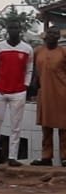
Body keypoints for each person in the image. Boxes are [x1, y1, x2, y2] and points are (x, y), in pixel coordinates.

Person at [0, 18, 34, 165]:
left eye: (16, 28)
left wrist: (26, 85)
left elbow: (29, 69)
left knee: (16, 125)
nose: (14, 30)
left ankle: (12, 157)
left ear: (20, 30)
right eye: (11, 28)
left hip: (19, 91)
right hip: (0, 90)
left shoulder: (27, 49)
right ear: (7, 30)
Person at [32, 27, 66, 166]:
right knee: (46, 126)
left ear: (59, 37)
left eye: (56, 34)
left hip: (62, 92)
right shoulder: (37, 51)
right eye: (51, 33)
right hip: (44, 92)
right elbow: (33, 70)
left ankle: (65, 157)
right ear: (46, 36)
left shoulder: (63, 52)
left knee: (64, 126)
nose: (53, 36)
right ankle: (46, 157)